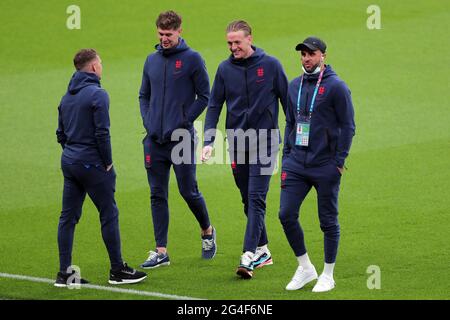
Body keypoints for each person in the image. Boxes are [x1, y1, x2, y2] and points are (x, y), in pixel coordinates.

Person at [202, 20, 288, 279]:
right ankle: (263, 249)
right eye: (229, 43)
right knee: (246, 199)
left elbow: (288, 103)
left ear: (250, 39)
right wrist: (208, 141)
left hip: (266, 143)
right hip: (237, 144)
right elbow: (215, 105)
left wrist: (295, 141)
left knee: (256, 199)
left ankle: (248, 256)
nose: (233, 47)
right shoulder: (224, 69)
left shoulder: (271, 65)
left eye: (237, 42)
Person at [55, 48, 147, 287]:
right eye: (101, 64)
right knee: (109, 214)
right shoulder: (98, 95)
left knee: (68, 217)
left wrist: (73, 152)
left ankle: (64, 274)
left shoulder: (66, 97)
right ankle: (117, 270)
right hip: (93, 163)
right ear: (94, 67)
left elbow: (60, 134)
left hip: (70, 161)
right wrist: (107, 162)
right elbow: (102, 133)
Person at [139, 10, 216, 269]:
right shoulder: (151, 60)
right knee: (157, 193)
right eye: (160, 34)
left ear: (180, 31)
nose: (164, 39)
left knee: (188, 191)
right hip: (154, 141)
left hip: (182, 139)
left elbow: (205, 96)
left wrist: (184, 119)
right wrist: (148, 122)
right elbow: (143, 95)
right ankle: (161, 250)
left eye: (168, 34)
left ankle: (207, 231)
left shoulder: (193, 59)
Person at [279, 37, 355, 292]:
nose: (306, 58)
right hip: (296, 164)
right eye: (303, 54)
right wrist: (287, 155)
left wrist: (338, 162)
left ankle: (328, 274)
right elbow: (290, 122)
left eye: (311, 54)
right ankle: (305, 267)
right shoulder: (294, 86)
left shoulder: (336, 87)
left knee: (328, 221)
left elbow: (348, 126)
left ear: (323, 55)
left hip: (325, 165)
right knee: (285, 214)